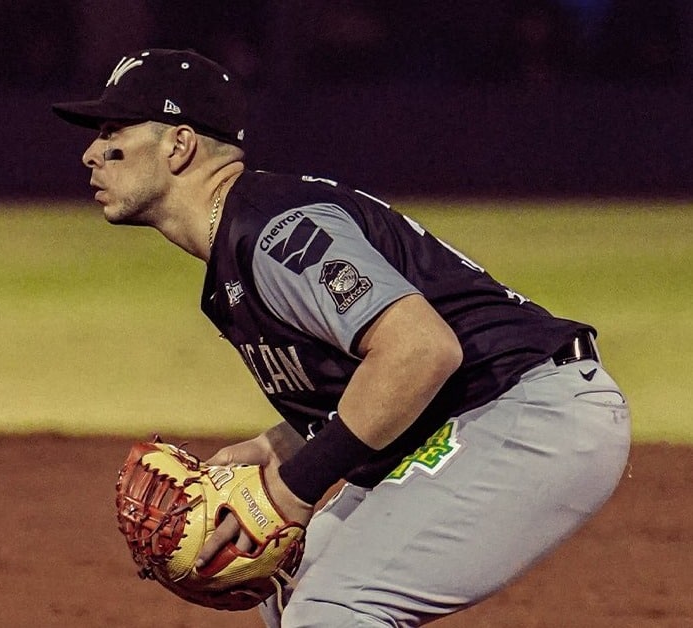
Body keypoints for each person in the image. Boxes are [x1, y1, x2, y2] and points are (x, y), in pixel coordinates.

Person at [53, 48, 631, 627]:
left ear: (179, 146)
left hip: (527, 414)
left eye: (112, 132)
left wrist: (291, 488)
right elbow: (375, 373)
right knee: (289, 599)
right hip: (479, 414)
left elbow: (421, 350)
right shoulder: (239, 241)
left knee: (335, 610)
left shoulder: (279, 231)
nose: (91, 153)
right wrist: (278, 445)